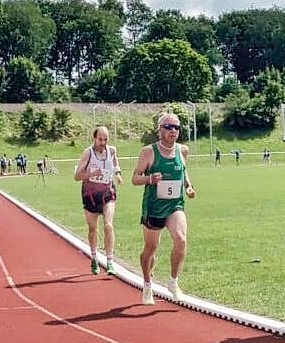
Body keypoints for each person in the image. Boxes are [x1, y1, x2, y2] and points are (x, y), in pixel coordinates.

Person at [132, 113, 196, 305]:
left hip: (175, 205)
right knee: (151, 248)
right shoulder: (148, 152)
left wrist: (188, 187)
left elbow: (183, 171)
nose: (173, 131)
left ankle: (173, 282)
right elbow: (135, 178)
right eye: (169, 127)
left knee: (181, 240)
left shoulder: (182, 151)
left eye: (177, 127)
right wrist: (149, 179)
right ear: (159, 129)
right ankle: (147, 284)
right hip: (153, 206)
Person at [74, 127, 123, 276]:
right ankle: (94, 257)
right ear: (94, 138)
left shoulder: (112, 150)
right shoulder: (87, 153)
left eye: (105, 139)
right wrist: (91, 174)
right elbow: (77, 176)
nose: (103, 142)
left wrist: (118, 175)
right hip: (90, 194)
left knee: (108, 225)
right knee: (93, 229)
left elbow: (115, 164)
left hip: (108, 192)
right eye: (100, 139)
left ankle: (109, 262)